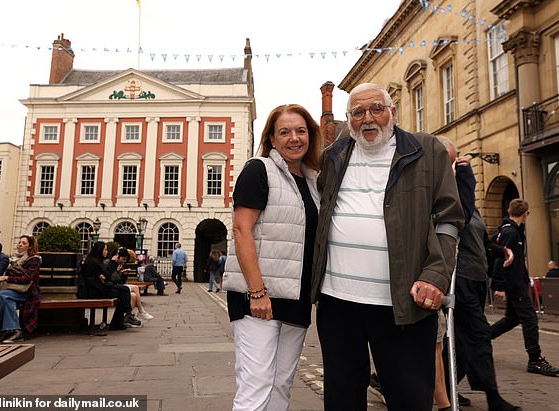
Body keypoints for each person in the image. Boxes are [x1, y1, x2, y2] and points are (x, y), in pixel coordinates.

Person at [310, 83, 464, 411]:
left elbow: (449, 219)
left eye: (376, 109)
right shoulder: (334, 156)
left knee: (409, 399)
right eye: (358, 112)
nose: (368, 118)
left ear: (392, 113)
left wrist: (436, 276)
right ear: (348, 119)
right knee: (341, 400)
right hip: (338, 303)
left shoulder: (426, 150)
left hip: (403, 305)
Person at [222, 103, 321, 410]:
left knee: (281, 385)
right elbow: (241, 230)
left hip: (296, 298)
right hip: (259, 299)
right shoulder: (258, 169)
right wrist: (257, 291)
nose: (294, 138)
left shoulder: (313, 180)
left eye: (301, 131)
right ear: (272, 138)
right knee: (256, 386)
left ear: (310, 136)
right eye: (285, 132)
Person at [437, 138, 521, 411]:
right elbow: (458, 215)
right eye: (450, 160)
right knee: (478, 334)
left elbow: (480, 240)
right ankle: (493, 397)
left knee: (459, 342)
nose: (456, 164)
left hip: (475, 277)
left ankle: (446, 388)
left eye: (456, 159)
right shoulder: (448, 194)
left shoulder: (464, 196)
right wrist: (466, 177)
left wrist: (501, 252)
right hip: (456, 278)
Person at [490, 199, 559, 377]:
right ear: (526, 214)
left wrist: (524, 276)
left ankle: (480, 340)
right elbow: (500, 258)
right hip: (514, 286)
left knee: (512, 319)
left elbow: (517, 260)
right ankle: (535, 360)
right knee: (530, 320)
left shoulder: (512, 231)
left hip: (517, 283)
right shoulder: (511, 232)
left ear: (508, 210)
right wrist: (499, 286)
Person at [0, 235, 42, 343]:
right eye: (19, 242)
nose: (20, 244)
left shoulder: (34, 260)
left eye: (24, 243)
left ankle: (0, 324)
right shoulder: (14, 259)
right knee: (8, 301)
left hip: (28, 291)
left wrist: (8, 278)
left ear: (30, 247)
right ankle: (16, 331)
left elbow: (27, 279)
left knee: (1, 295)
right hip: (13, 291)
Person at [80, 241, 140, 330]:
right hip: (95, 291)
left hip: (99, 288)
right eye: (105, 249)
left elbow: (105, 276)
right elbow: (107, 274)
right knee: (124, 291)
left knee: (124, 292)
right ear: (100, 250)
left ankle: (122, 319)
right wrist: (113, 263)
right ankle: (123, 318)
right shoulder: (94, 262)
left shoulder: (96, 261)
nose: (106, 252)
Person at [106, 247, 153, 320]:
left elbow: (121, 281)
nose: (124, 261)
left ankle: (128, 317)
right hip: (113, 288)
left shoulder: (120, 264)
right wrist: (118, 272)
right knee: (135, 288)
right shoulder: (111, 263)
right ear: (117, 256)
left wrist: (124, 274)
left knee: (133, 295)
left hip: (118, 286)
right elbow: (112, 279)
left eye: (125, 259)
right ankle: (141, 311)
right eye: (123, 259)